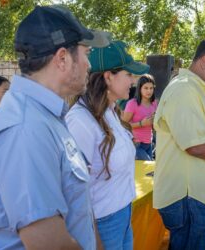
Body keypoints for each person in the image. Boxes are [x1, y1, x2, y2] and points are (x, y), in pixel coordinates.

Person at [0, 5, 110, 249]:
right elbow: (50, 244)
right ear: (62, 58)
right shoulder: (25, 129)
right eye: (86, 53)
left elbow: (79, 213)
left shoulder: (44, 117)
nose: (89, 64)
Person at [153, 35, 205, 250]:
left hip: (194, 197)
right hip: (189, 198)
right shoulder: (185, 89)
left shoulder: (195, 90)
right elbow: (196, 146)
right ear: (204, 61)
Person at [66, 40, 149, 250]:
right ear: (108, 76)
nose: (133, 80)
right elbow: (73, 191)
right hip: (101, 224)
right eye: (128, 74)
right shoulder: (80, 121)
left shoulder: (110, 112)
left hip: (122, 215)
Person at [122, 74, 158, 160]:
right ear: (140, 88)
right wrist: (141, 123)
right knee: (147, 168)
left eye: (151, 88)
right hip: (136, 145)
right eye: (146, 88)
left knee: (149, 171)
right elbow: (123, 125)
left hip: (149, 144)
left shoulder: (154, 104)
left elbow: (153, 126)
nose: (149, 91)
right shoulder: (132, 104)